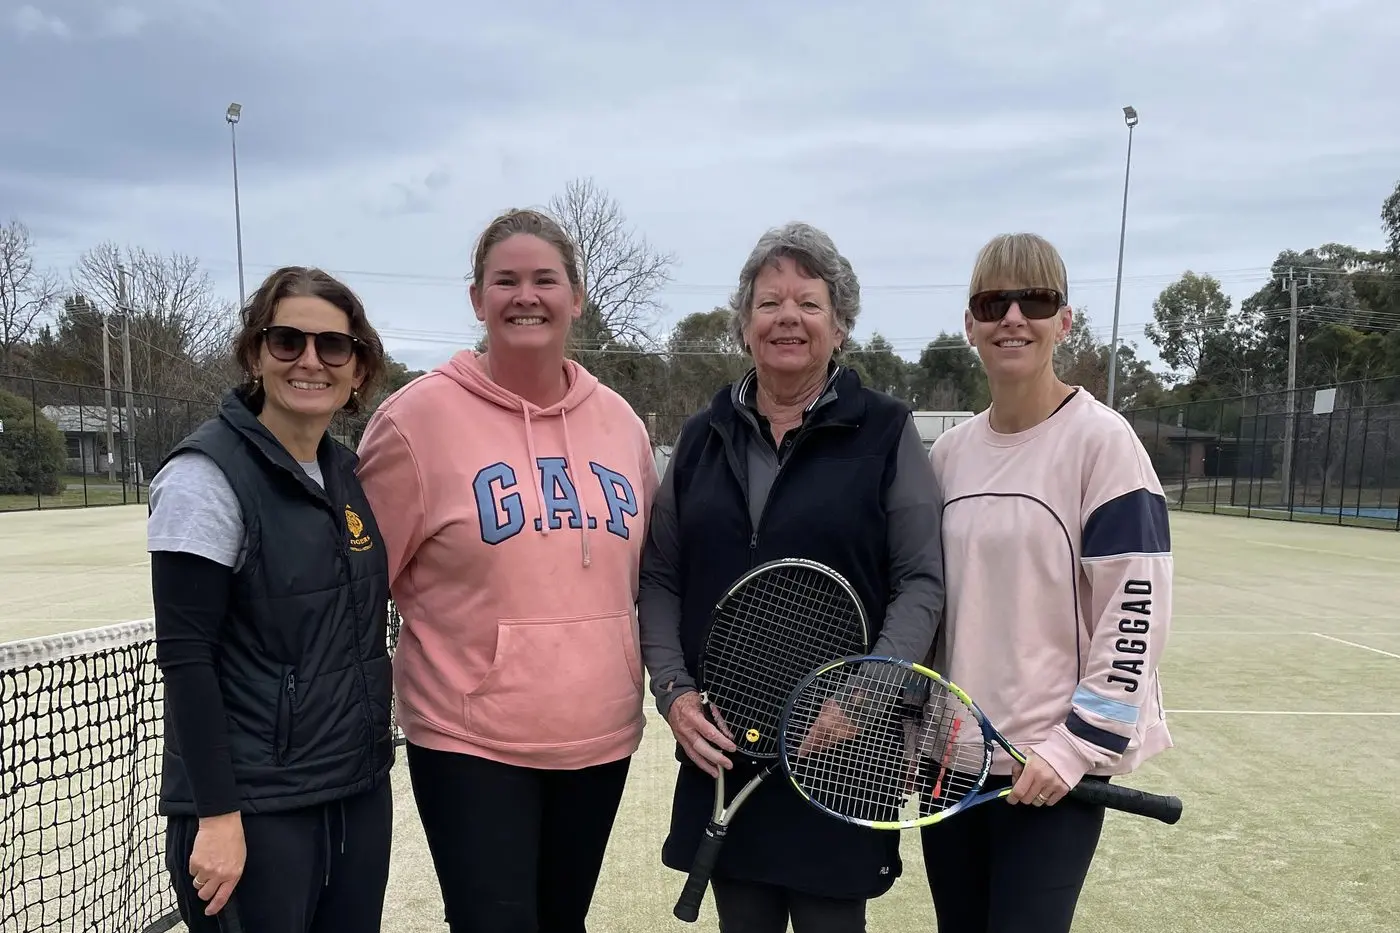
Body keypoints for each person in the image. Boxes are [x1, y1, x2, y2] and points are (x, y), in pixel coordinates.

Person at [354, 207, 659, 933]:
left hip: (597, 734)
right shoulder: (414, 421)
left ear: (576, 297)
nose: (527, 295)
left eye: (545, 279)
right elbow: (358, 589)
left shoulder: (622, 424)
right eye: (506, 280)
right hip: (470, 741)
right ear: (477, 299)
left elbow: (646, 575)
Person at [636, 221, 946, 933]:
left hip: (839, 757)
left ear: (840, 327)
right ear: (744, 324)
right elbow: (659, 578)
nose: (788, 318)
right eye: (770, 302)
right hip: (723, 743)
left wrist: (866, 695)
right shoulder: (698, 439)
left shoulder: (887, 432)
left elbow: (921, 580)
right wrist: (676, 695)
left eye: (809, 303)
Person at [920, 232, 1174, 933]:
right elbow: (932, 606)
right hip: (956, 769)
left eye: (1033, 300)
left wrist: (1070, 750)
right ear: (969, 324)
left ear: (1063, 320)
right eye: (991, 301)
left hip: (1050, 776)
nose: (1011, 316)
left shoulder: (1105, 443)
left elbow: (1136, 610)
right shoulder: (948, 455)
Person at [148, 266, 395, 933]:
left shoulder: (347, 472)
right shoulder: (204, 477)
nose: (310, 360)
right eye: (287, 341)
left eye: (332, 346)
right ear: (257, 353)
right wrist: (218, 816)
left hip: (355, 790)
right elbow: (185, 658)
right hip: (255, 807)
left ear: (358, 369)